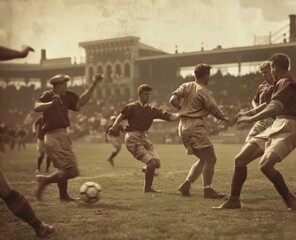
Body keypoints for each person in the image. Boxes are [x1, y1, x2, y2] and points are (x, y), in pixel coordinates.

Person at [217, 53, 296, 210]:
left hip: (287, 127)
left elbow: (274, 107)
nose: (269, 73)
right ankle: (234, 200)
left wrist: (250, 119)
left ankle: (288, 197)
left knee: (265, 165)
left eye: (270, 69)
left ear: (274, 68)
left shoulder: (286, 83)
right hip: (276, 125)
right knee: (240, 160)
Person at [0, 45, 54, 238]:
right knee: (5, 190)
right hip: (42, 139)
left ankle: (38, 226)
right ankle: (38, 226)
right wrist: (20, 53)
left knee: (5, 190)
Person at [34, 72, 103, 201]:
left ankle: (63, 196)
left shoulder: (66, 96)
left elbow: (80, 102)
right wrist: (50, 103)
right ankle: (45, 180)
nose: (66, 87)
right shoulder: (48, 95)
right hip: (53, 136)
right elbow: (36, 107)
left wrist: (94, 84)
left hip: (61, 134)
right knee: (73, 171)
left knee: (64, 169)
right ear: (56, 85)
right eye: (64, 85)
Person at [169, 63, 229, 199]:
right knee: (211, 158)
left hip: (182, 125)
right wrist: (224, 118)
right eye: (209, 75)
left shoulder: (186, 85)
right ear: (205, 75)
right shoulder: (204, 91)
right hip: (195, 125)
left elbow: (172, 99)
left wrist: (183, 110)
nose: (209, 78)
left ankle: (186, 185)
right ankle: (207, 190)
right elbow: (214, 109)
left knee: (203, 159)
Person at [108, 84, 180, 193]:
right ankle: (148, 188)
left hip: (143, 136)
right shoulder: (131, 107)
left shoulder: (152, 109)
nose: (148, 96)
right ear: (140, 95)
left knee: (157, 164)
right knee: (151, 164)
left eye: (149, 94)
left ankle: (147, 171)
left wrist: (183, 113)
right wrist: (114, 126)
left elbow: (171, 117)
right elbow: (121, 116)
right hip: (132, 137)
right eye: (146, 94)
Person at [244, 61, 274, 142]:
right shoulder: (261, 86)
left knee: (268, 149)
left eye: (266, 72)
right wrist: (256, 108)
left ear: (273, 70)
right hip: (260, 121)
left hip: (273, 121)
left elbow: (269, 104)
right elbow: (254, 100)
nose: (263, 75)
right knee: (248, 143)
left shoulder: (279, 85)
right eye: (262, 73)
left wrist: (253, 112)